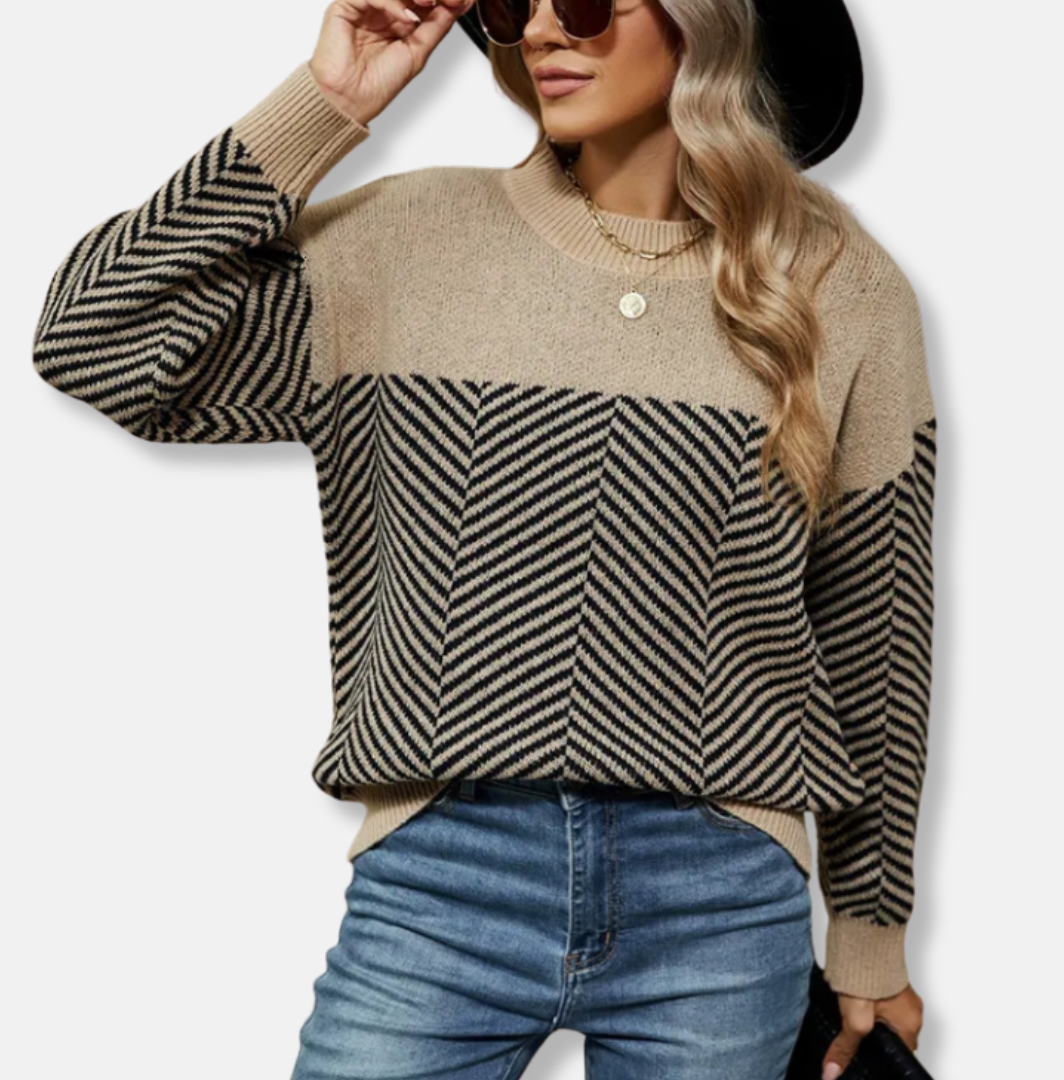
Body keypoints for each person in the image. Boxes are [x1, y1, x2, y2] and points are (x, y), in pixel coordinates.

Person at [31, 0, 934, 1076]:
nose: (544, 28)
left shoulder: (840, 285)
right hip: (443, 879)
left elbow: (877, 633)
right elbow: (92, 339)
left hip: (721, 896)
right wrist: (326, 102)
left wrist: (869, 935)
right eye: (515, 3)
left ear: (705, 19)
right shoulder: (400, 244)